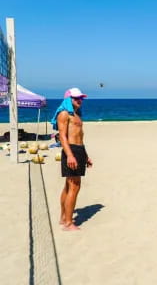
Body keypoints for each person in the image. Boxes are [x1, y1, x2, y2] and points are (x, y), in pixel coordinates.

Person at [51, 88, 92, 231]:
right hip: (71, 150)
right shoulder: (64, 114)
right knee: (74, 186)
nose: (79, 100)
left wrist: (86, 156)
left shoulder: (77, 115)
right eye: (76, 98)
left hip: (79, 151)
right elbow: (62, 136)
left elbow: (80, 137)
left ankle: (64, 218)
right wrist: (69, 155)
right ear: (69, 99)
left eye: (81, 98)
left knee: (69, 186)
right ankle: (68, 223)